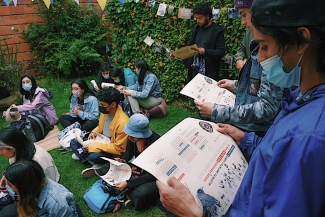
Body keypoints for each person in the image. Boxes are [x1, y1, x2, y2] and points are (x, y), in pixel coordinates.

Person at [156, 0, 325, 216]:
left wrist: (194, 214)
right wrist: (247, 139)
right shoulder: (299, 99)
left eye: (264, 47)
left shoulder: (308, 136)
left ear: (301, 40)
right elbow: (276, 158)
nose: (260, 59)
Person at [194, 0, 284, 137]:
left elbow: (268, 106)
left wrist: (217, 111)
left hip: (257, 129)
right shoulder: (258, 42)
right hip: (249, 125)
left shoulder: (273, 50)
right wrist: (236, 84)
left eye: (243, 15)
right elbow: (260, 85)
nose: (242, 23)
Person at [86, 114, 161, 211]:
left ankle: (126, 193)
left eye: (133, 136)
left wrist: (129, 183)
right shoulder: (133, 138)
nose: (129, 138)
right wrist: (123, 160)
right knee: (106, 168)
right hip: (137, 168)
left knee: (140, 193)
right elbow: (129, 151)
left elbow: (153, 175)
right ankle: (126, 195)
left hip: (152, 176)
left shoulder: (157, 144)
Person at [0, 127, 60, 217]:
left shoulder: (39, 159)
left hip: (40, 194)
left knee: (5, 213)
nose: (0, 153)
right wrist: (6, 177)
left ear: (12, 148)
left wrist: (23, 195)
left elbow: (48, 186)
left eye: (1, 149)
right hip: (27, 190)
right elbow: (17, 169)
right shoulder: (18, 152)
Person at [70, 87, 129, 167]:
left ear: (113, 104)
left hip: (110, 149)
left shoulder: (123, 123)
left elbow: (119, 149)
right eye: (99, 103)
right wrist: (94, 132)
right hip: (100, 139)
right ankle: (88, 158)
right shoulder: (105, 111)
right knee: (73, 142)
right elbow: (101, 126)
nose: (100, 106)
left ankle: (86, 156)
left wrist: (95, 146)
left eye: (102, 105)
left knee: (93, 156)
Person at [1, 159, 80, 217]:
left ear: (24, 188)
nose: (7, 187)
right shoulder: (35, 180)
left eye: (10, 185)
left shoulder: (56, 205)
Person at [171, 2, 225, 82]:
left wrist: (206, 52)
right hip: (194, 72)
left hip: (210, 74)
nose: (198, 21)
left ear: (207, 16)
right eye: (196, 18)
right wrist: (177, 54)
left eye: (200, 18)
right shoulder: (196, 28)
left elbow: (221, 52)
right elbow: (190, 47)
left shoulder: (217, 31)